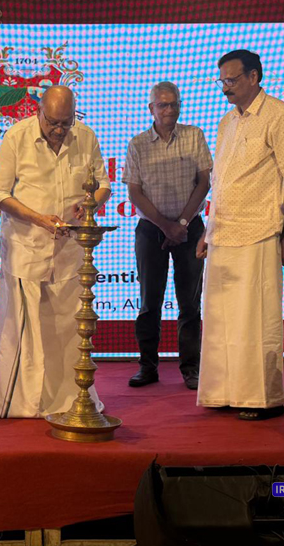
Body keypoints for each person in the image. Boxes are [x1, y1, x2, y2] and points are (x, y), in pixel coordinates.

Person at [0, 86, 112, 418]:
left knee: (67, 331)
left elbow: (103, 185)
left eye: (66, 123)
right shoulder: (17, 136)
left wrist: (90, 206)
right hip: (26, 248)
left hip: (69, 252)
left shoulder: (86, 136)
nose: (59, 130)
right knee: (23, 333)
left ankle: (68, 400)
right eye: (53, 122)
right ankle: (21, 405)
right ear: (38, 111)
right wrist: (39, 219)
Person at [196, 49, 284, 420]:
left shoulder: (279, 115)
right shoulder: (227, 121)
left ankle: (262, 398)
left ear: (254, 77)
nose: (224, 88)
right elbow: (221, 183)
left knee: (255, 319)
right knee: (220, 320)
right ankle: (222, 392)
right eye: (221, 81)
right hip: (223, 233)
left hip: (260, 230)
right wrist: (208, 230)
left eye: (231, 80)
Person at [123, 82, 212, 391]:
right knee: (149, 301)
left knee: (190, 303)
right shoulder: (137, 144)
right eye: (163, 105)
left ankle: (191, 368)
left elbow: (204, 182)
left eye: (174, 104)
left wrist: (182, 223)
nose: (170, 110)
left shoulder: (194, 135)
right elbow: (134, 192)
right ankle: (147, 367)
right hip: (151, 230)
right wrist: (165, 225)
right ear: (151, 109)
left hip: (190, 228)